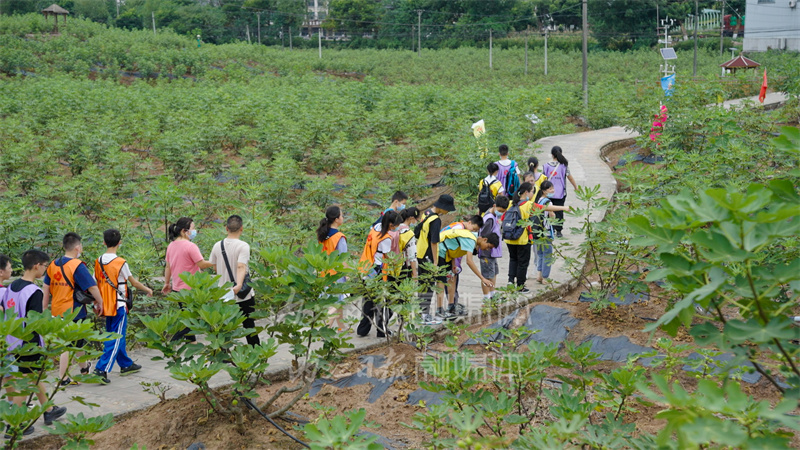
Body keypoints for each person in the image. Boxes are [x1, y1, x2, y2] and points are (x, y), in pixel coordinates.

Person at [3, 250, 67, 436]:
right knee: (25, 383)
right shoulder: (34, 292)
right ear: (37, 265)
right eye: (45, 266)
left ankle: (48, 411)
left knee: (35, 376)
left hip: (14, 341)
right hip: (29, 343)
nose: (45, 270)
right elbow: (36, 322)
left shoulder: (12, 286)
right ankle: (14, 425)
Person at [42, 232, 103, 387]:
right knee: (67, 344)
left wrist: (43, 309)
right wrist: (100, 303)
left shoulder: (53, 265)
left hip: (57, 309)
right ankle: (63, 378)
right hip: (74, 311)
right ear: (77, 247)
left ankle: (84, 368)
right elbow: (92, 287)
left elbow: (45, 288)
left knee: (78, 340)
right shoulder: (77, 265)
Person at [93, 229, 152, 384]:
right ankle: (101, 369)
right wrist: (147, 289)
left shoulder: (98, 261)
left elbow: (95, 283)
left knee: (113, 334)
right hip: (118, 304)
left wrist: (96, 302)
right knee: (116, 337)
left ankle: (125, 364)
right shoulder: (121, 262)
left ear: (104, 242)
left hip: (105, 304)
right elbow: (133, 282)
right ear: (120, 243)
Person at [503, 182, 571, 293]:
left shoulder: (511, 203)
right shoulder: (528, 205)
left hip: (509, 237)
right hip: (522, 238)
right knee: (523, 262)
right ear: (526, 192)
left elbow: (503, 217)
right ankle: (520, 286)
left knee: (513, 259)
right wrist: (564, 207)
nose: (533, 194)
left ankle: (510, 281)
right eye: (532, 192)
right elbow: (546, 207)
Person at [209, 215, 260, 346]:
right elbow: (241, 266)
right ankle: (256, 352)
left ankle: (224, 355)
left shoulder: (217, 245)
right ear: (241, 228)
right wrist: (238, 284)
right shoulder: (243, 246)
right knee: (249, 325)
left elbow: (214, 267)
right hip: (243, 293)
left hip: (223, 292)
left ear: (226, 228)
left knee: (225, 326)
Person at [162, 217, 213, 342]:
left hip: (177, 288)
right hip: (191, 289)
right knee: (191, 320)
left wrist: (167, 283)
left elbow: (168, 266)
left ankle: (192, 343)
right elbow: (201, 264)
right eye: (193, 228)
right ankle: (173, 341)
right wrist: (215, 261)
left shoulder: (171, 246)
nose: (195, 231)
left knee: (187, 315)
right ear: (184, 231)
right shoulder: (191, 246)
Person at [436, 227, 497, 319]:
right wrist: (483, 278)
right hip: (440, 250)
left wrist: (453, 266)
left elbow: (453, 246)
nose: (487, 249)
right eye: (488, 246)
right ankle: (439, 309)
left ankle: (451, 307)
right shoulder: (471, 240)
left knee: (452, 277)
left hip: (447, 254)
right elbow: (469, 261)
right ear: (485, 239)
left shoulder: (472, 238)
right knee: (441, 281)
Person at [358, 211, 401, 338]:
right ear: (391, 225)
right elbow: (387, 257)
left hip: (366, 267)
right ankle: (382, 330)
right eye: (396, 225)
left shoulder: (375, 229)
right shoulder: (386, 239)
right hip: (377, 271)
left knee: (367, 300)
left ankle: (362, 329)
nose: (396, 228)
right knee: (381, 302)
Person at [415, 195, 455, 325]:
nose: (448, 212)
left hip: (420, 253)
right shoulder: (436, 220)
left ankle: (420, 312)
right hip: (428, 255)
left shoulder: (426, 213)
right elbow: (434, 242)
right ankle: (425, 315)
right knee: (428, 285)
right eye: (447, 209)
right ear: (443, 207)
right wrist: (436, 262)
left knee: (422, 284)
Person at [318, 206, 347, 331]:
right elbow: (343, 258)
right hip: (336, 274)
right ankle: (325, 328)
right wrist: (347, 274)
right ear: (336, 219)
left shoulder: (323, 234)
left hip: (324, 272)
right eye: (342, 215)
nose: (343, 217)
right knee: (337, 302)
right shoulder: (339, 237)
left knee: (337, 300)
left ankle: (342, 327)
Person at [541, 146, 578, 238]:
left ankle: (550, 227)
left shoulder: (546, 166)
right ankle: (559, 230)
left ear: (552, 154)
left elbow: (542, 179)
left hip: (548, 193)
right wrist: (575, 187)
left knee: (549, 210)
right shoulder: (564, 166)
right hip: (560, 193)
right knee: (560, 210)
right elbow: (570, 177)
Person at [480, 195, 509, 299]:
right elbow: (484, 237)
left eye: (503, 211)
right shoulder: (489, 219)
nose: (500, 213)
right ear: (494, 205)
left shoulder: (494, 216)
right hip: (487, 252)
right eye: (500, 210)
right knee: (487, 275)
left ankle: (492, 295)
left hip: (493, 251)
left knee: (493, 273)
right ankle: (486, 298)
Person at [533, 181, 559, 284]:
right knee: (547, 254)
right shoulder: (548, 202)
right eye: (550, 189)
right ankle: (545, 277)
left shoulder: (538, 200)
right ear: (544, 191)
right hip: (546, 231)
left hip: (537, 231)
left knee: (540, 253)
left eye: (552, 188)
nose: (552, 190)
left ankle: (539, 275)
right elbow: (552, 215)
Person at [391, 207, 420, 279]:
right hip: (403, 267)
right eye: (416, 219)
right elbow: (412, 256)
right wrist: (415, 274)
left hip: (390, 265)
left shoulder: (393, 229)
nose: (416, 221)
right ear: (411, 218)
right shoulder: (408, 233)